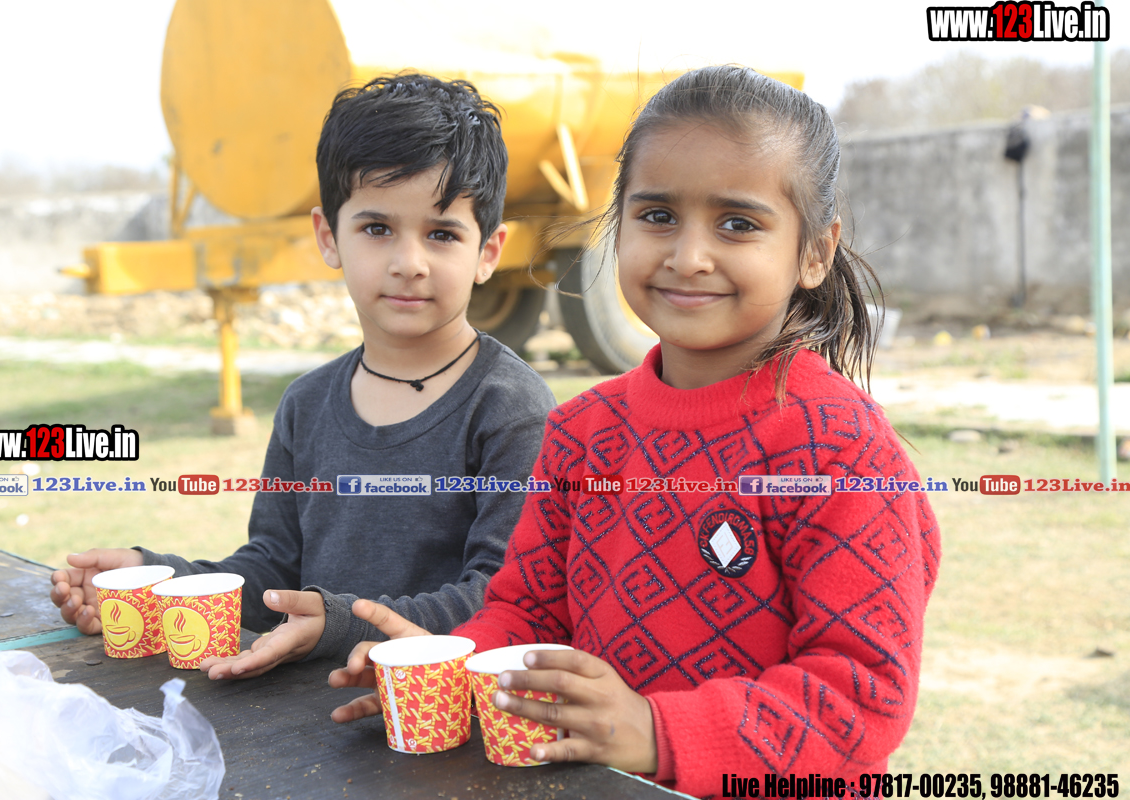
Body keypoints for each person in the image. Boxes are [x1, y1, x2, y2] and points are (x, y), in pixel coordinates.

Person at [327, 66, 942, 797]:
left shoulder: (839, 448)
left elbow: (860, 695)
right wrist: (455, 665)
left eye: (738, 224)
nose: (687, 256)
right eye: (657, 216)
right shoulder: (582, 432)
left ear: (814, 251)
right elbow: (529, 611)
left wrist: (654, 729)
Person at [49, 74, 557, 680]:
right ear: (328, 237)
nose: (409, 263)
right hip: (302, 717)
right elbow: (273, 572)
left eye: (442, 234)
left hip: (435, 717)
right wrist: (158, 580)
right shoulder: (307, 403)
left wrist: (340, 623)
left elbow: (500, 599)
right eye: (377, 229)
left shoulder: (509, 408)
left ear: (488, 252)